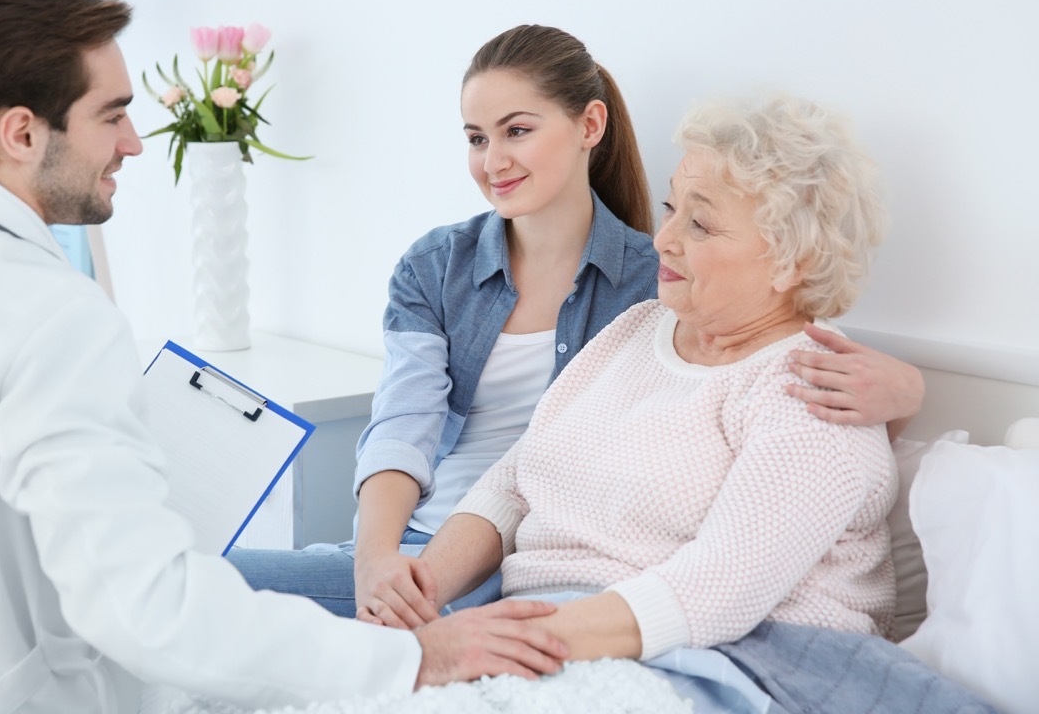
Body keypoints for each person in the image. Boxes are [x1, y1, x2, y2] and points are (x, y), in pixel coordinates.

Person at [0, 0, 569, 714]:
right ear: (22, 132)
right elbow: (146, 609)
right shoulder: (54, 315)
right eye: (111, 115)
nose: (133, 143)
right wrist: (408, 658)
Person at [228, 25, 926, 629]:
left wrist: (909, 388)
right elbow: (416, 435)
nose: (492, 159)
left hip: (533, 583)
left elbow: (782, 374)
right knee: (207, 587)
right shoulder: (451, 269)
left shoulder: (652, 293)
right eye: (476, 137)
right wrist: (386, 569)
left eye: (518, 130)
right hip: (434, 547)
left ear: (590, 126)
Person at [362, 94, 992, 712]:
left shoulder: (814, 389)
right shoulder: (637, 329)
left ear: (791, 261)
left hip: (716, 660)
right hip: (557, 636)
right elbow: (515, 482)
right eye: (670, 209)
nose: (662, 239)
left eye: (700, 223)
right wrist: (426, 587)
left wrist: (484, 645)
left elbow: (713, 592)